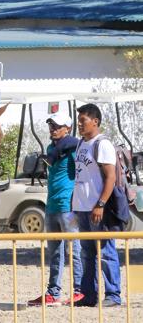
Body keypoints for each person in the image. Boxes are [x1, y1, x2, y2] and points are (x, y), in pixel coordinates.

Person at [28, 112, 83, 307]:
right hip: (51, 206)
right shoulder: (53, 148)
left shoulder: (73, 148)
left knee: (75, 250)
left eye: (57, 125)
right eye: (51, 125)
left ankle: (79, 291)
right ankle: (53, 292)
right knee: (55, 253)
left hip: (68, 207)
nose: (53, 128)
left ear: (67, 128)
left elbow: (80, 147)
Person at [72, 103, 121, 307]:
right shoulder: (80, 144)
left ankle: (113, 295)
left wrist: (100, 203)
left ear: (95, 121)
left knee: (106, 252)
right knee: (86, 253)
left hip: (97, 208)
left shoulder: (102, 144)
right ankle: (89, 294)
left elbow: (110, 177)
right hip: (81, 208)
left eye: (83, 121)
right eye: (79, 121)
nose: (80, 125)